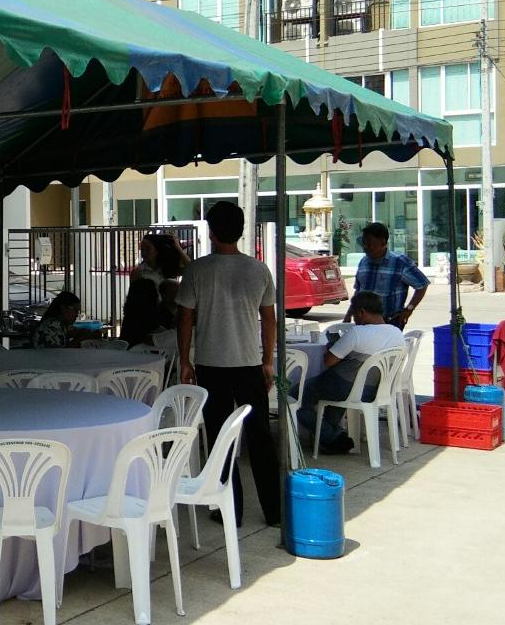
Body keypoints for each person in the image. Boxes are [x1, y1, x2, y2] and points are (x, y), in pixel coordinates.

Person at [176, 201, 281, 528]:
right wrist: (267, 361)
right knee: (260, 436)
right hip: (249, 363)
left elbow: (185, 320)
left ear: (211, 232)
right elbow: (269, 320)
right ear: (241, 230)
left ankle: (229, 510)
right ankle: (274, 511)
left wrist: (185, 361)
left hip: (211, 364)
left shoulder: (197, 270)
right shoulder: (258, 270)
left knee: (220, 437)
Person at [297, 291, 406, 454]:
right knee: (333, 391)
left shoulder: (357, 333)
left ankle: (332, 437)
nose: (354, 319)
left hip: (347, 388)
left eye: (354, 314)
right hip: (375, 390)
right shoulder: (396, 333)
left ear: (362, 312)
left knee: (295, 396)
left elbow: (329, 361)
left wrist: (332, 347)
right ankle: (331, 437)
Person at [348, 221, 429, 329]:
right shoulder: (363, 262)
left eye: (370, 243)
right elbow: (358, 292)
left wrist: (409, 309)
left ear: (383, 242)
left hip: (390, 322)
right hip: (364, 323)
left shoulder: (400, 262)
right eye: (364, 243)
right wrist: (349, 315)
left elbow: (422, 285)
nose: (366, 247)